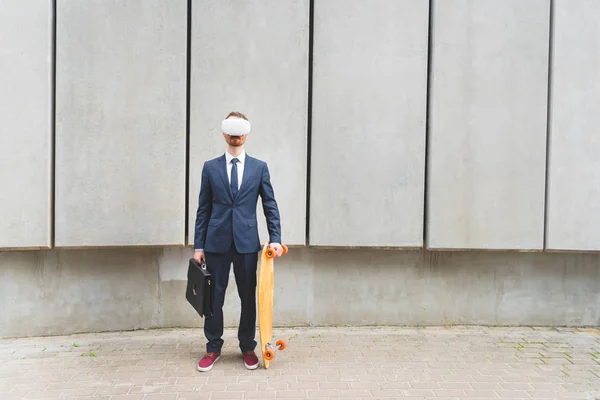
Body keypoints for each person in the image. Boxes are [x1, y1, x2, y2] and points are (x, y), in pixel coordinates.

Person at [193, 111, 283, 371]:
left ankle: (247, 346)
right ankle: (213, 347)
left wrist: (275, 238)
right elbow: (203, 209)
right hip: (216, 243)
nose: (236, 135)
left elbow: (270, 205)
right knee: (213, 298)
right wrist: (199, 246)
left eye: (240, 130)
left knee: (248, 296)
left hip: (246, 243)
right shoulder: (210, 168)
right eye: (231, 130)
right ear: (224, 133)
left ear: (246, 133)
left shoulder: (259, 167)